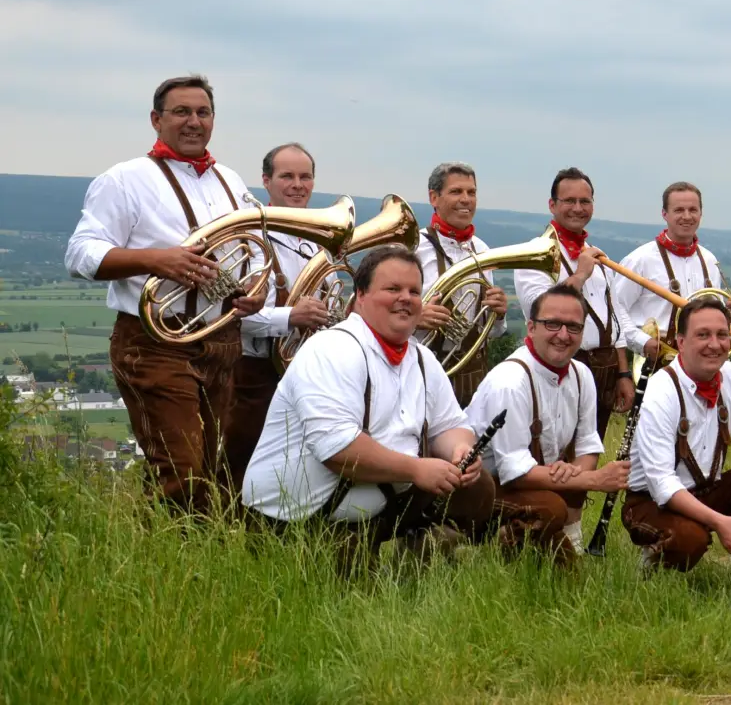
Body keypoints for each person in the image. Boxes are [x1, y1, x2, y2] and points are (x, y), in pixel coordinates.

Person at [65, 75, 266, 514]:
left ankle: (166, 558)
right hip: (154, 341)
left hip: (221, 340)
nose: (193, 121)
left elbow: (252, 250)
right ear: (157, 120)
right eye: (181, 112)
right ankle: (180, 565)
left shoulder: (230, 181)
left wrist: (255, 288)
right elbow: (80, 254)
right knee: (183, 473)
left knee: (206, 470)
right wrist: (156, 260)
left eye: (202, 112)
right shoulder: (124, 179)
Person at [241, 246, 493, 568]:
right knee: (354, 605)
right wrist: (418, 469)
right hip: (297, 524)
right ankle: (371, 564)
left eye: (414, 291)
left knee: (476, 487)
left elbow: (450, 425)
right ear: (360, 295)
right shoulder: (333, 349)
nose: (406, 298)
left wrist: (461, 451)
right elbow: (339, 451)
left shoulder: (421, 358)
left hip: (372, 505)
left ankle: (420, 558)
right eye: (392, 289)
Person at [623, 296, 731, 580]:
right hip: (651, 502)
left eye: (722, 335)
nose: (715, 344)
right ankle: (651, 564)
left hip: (707, 489)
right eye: (702, 335)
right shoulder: (661, 390)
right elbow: (661, 484)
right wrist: (719, 522)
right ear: (681, 342)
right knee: (690, 541)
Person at [464, 285, 627, 560]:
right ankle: (494, 545)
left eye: (574, 327)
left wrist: (574, 474)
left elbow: (588, 443)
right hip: (478, 491)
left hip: (527, 481)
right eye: (552, 324)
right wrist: (593, 479)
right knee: (551, 506)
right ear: (531, 327)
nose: (563, 335)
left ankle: (552, 545)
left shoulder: (581, 374)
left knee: (569, 489)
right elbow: (514, 472)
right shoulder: (510, 382)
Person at [227, 143, 331, 497]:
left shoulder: (323, 241)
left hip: (310, 374)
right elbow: (231, 314)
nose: (298, 184)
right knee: (245, 464)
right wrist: (291, 316)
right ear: (266, 181)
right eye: (287, 176)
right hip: (256, 376)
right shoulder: (251, 236)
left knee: (304, 465)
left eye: (305, 177)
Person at [514, 167, 636, 437]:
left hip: (605, 370)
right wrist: (580, 275)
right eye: (569, 201)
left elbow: (615, 318)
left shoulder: (597, 257)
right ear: (552, 205)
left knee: (593, 446)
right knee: (556, 447)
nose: (578, 208)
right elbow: (539, 308)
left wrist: (623, 374)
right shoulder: (532, 254)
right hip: (562, 366)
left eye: (585, 201)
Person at [615, 181, 731, 363]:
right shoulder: (639, 260)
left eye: (693, 210)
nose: (687, 216)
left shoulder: (709, 260)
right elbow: (615, 309)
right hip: (655, 362)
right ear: (664, 214)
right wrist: (643, 342)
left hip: (703, 361)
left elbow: (711, 313)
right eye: (679, 210)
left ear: (701, 213)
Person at [414, 162, 508, 406]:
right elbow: (381, 315)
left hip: (474, 376)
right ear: (434, 197)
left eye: (471, 192)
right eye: (456, 192)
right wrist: (416, 317)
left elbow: (494, 333)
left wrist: (498, 314)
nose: (466, 199)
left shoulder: (483, 251)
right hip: (423, 374)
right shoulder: (414, 248)